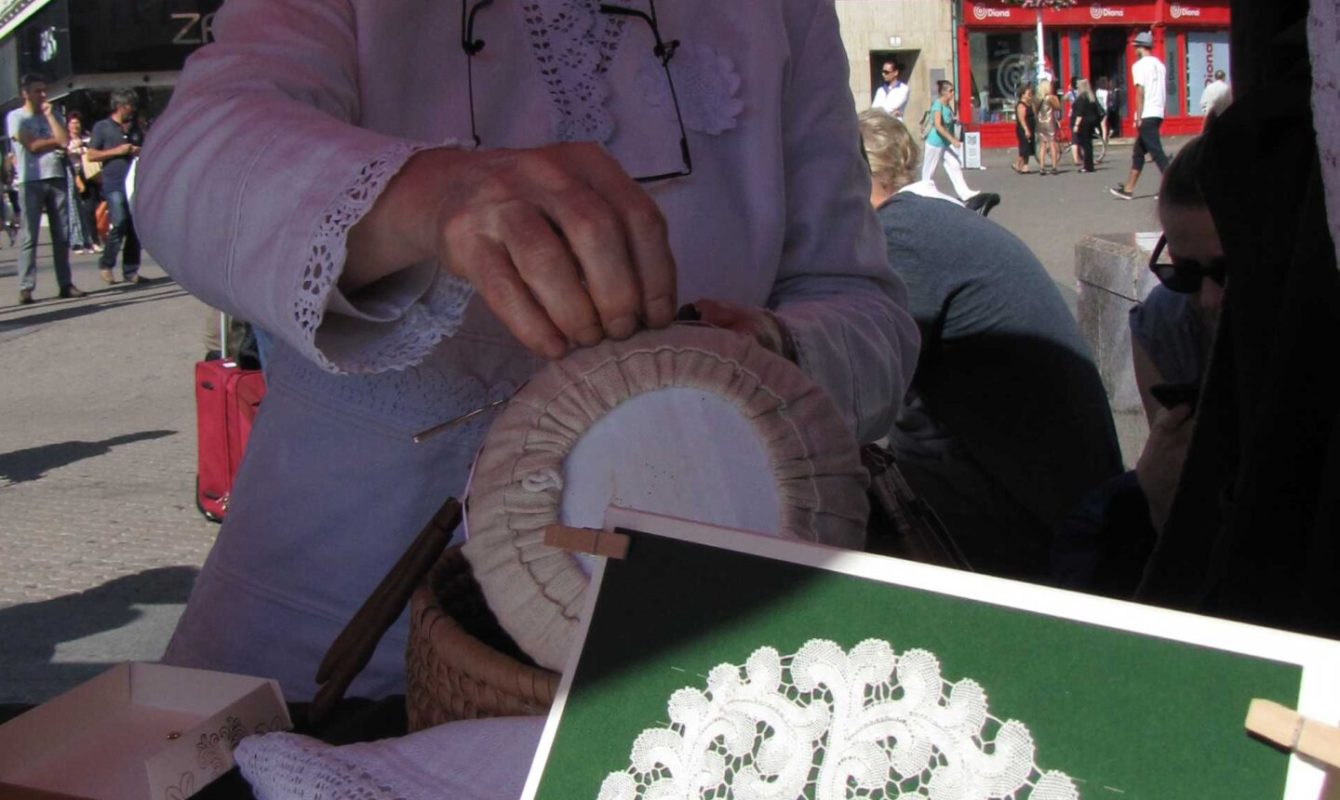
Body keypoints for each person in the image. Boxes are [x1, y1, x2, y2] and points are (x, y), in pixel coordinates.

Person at [134, 0, 921, 700]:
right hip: (325, 642)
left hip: (672, 659)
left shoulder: (782, 11)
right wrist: (429, 196)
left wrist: (768, 352)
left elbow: (868, 313)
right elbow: (188, 165)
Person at [859, 109, 1123, 581]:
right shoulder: (931, 217)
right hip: (1048, 479)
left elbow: (863, 385)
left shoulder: (901, 235)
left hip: (1034, 509)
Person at [10, 73, 83, 305]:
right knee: (29, 235)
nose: (42, 95)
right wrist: (53, 142)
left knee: (61, 234)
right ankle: (26, 287)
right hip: (30, 180)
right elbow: (31, 145)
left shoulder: (54, 115)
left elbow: (64, 141)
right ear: (25, 93)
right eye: (37, 91)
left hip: (56, 176)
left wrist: (51, 118)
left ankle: (65, 283)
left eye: (44, 90)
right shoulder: (16, 117)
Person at [86, 89, 142, 285]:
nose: (132, 110)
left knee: (135, 226)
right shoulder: (102, 127)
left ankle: (131, 269)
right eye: (129, 106)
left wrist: (138, 150)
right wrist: (117, 151)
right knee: (119, 222)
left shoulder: (135, 128)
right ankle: (106, 263)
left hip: (134, 182)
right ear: (119, 106)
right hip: (114, 183)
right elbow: (91, 154)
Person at [1111, 32, 1170, 200]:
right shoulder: (1160, 65)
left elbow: (1140, 92)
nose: (1134, 49)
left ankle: (1173, 187)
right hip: (1158, 111)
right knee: (1138, 152)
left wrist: (1138, 116)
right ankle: (1128, 189)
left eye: (1136, 46)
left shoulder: (1139, 66)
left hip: (1147, 112)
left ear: (1140, 47)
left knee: (1156, 152)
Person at [922, 80, 994, 212]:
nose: (952, 93)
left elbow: (950, 121)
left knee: (954, 164)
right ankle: (923, 195)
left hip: (944, 143)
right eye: (950, 91)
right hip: (935, 143)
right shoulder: (937, 105)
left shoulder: (947, 105)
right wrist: (952, 140)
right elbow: (938, 126)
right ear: (944, 92)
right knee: (928, 171)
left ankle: (964, 193)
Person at [63, 112, 98, 255]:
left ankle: (93, 240)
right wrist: (73, 149)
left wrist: (83, 147)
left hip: (87, 174)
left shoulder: (86, 138)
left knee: (89, 208)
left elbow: (93, 150)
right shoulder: (65, 139)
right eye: (72, 123)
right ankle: (77, 242)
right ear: (67, 125)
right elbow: (63, 153)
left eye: (77, 122)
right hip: (71, 175)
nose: (75, 126)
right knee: (73, 209)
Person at [1071, 79, 1103, 174]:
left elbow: (1080, 113)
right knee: (1088, 145)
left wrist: (1076, 125)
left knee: (1085, 145)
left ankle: (1087, 166)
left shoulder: (1082, 99)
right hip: (1091, 122)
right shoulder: (1091, 98)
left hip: (1084, 123)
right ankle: (1089, 165)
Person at [1034, 79, 1061, 175]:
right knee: (1052, 144)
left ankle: (1042, 167)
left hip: (1040, 123)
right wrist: (1056, 99)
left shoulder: (1037, 99)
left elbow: (1035, 111)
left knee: (1042, 145)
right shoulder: (1050, 98)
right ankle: (1054, 167)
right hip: (1049, 122)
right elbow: (1058, 107)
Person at [1012, 84, 1036, 174]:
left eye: (1031, 93)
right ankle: (1024, 166)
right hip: (1023, 128)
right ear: (1022, 94)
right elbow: (1021, 119)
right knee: (1024, 147)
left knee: (1028, 147)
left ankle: (1019, 164)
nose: (1030, 95)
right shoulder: (1021, 105)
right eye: (1028, 93)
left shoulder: (1030, 104)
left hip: (1031, 127)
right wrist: (1026, 129)